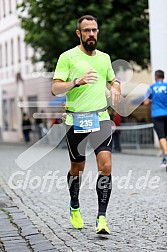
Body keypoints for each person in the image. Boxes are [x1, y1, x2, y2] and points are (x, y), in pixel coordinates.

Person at [52, 15, 121, 234]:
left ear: (97, 32)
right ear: (78, 33)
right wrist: (76, 82)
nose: (91, 34)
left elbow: (112, 79)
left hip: (100, 118)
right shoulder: (67, 57)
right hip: (76, 120)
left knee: (106, 166)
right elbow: (55, 88)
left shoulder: (104, 58)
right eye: (87, 30)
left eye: (94, 30)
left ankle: (102, 218)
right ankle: (74, 205)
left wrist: (116, 87)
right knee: (77, 168)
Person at [144, 70, 167, 169]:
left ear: (155, 77)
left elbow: (145, 102)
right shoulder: (166, 86)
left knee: (162, 137)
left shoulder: (151, 87)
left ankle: (166, 155)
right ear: (163, 77)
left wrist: (152, 100)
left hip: (157, 114)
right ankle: (164, 158)